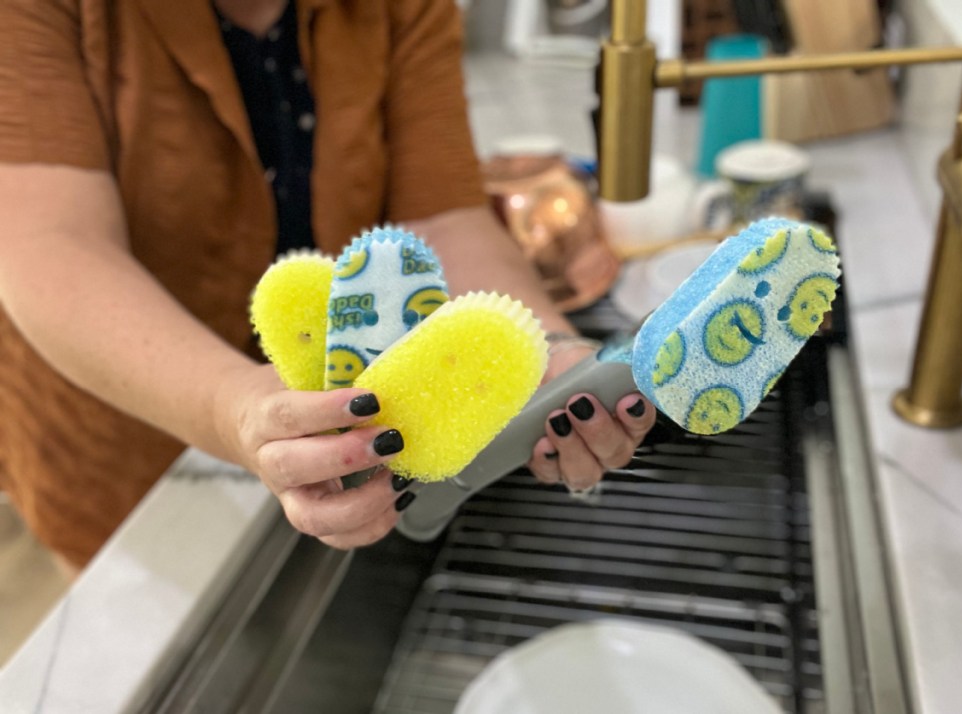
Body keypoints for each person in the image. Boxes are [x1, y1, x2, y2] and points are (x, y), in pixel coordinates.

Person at [0, 0, 656, 572]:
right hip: (120, 427)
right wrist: (240, 408)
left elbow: (439, 215)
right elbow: (50, 241)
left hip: (337, 418)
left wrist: (542, 351)